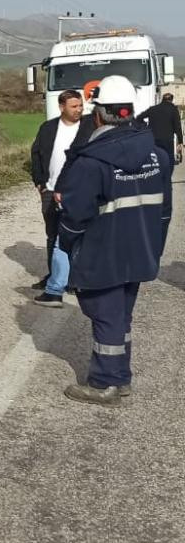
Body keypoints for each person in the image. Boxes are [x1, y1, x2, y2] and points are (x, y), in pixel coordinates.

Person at [55, 75, 172, 405]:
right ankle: (120, 378)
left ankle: (105, 383)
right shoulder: (158, 156)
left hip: (103, 253)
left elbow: (75, 216)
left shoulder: (91, 162)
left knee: (105, 314)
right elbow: (165, 212)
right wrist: (154, 249)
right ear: (129, 111)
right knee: (121, 315)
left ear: (98, 115)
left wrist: (68, 245)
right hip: (141, 252)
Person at [28, 90, 95, 305]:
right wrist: (40, 182)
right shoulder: (48, 128)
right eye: (74, 106)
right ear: (61, 107)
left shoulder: (90, 126)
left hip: (78, 192)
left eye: (80, 105)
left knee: (76, 236)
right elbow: (36, 154)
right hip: (50, 190)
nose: (79, 110)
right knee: (52, 235)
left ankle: (74, 279)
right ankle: (54, 276)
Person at [136, 92, 183, 163]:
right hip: (167, 140)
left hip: (153, 139)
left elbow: (139, 118)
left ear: (162, 99)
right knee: (169, 160)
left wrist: (145, 126)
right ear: (171, 100)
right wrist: (180, 141)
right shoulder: (173, 110)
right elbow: (177, 126)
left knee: (155, 160)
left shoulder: (153, 109)